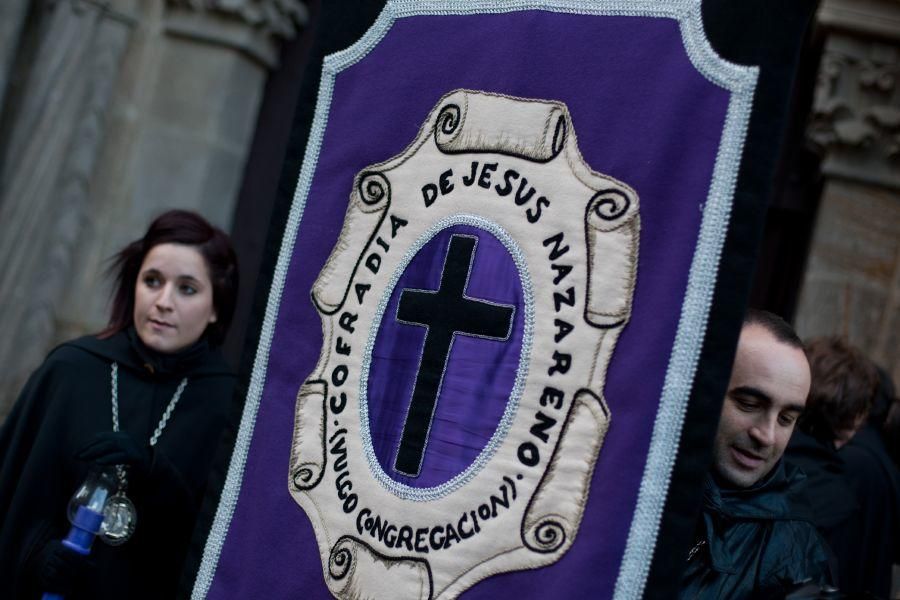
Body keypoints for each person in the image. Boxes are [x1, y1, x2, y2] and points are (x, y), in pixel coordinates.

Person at [0, 210, 239, 599]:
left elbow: (225, 550)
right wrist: (36, 557)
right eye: (153, 281)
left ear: (216, 307)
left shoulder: (228, 405)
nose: (163, 302)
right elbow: (13, 495)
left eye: (187, 289)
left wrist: (158, 475)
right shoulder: (71, 370)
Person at [679, 309, 832, 599]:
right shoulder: (627, 484)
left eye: (786, 419)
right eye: (749, 404)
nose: (767, 435)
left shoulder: (795, 557)